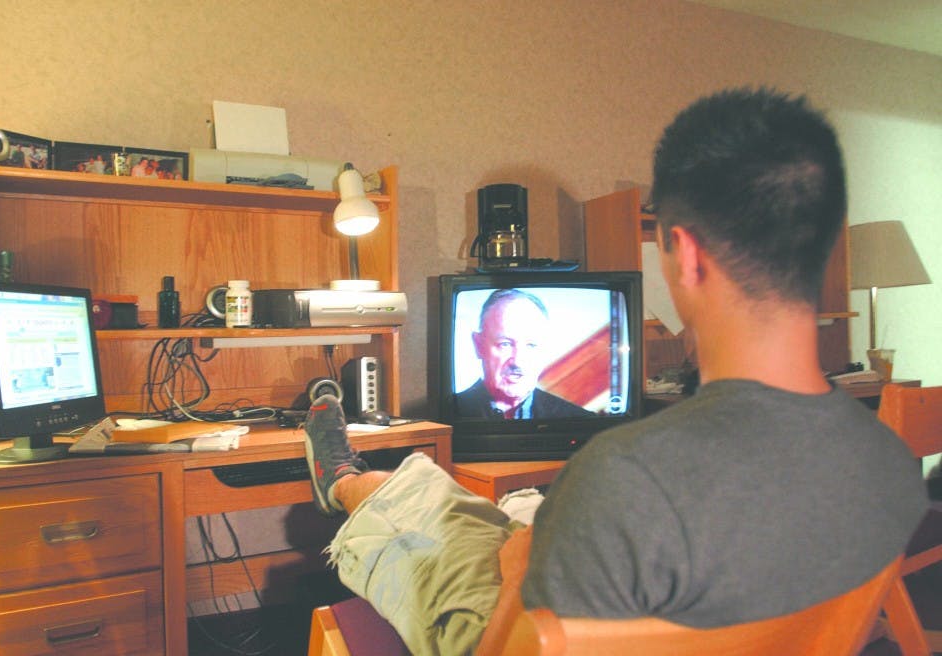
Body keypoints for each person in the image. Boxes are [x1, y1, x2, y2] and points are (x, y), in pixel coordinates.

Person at [302, 88, 928, 656]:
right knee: (494, 507)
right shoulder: (888, 466)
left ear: (682, 256)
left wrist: (522, 568)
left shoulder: (621, 474)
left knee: (430, 513)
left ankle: (346, 482)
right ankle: (366, 482)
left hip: (529, 629)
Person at [454, 288, 594, 418]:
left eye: (531, 345)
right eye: (505, 344)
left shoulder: (577, 417)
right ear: (478, 345)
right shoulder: (449, 416)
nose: (517, 361)